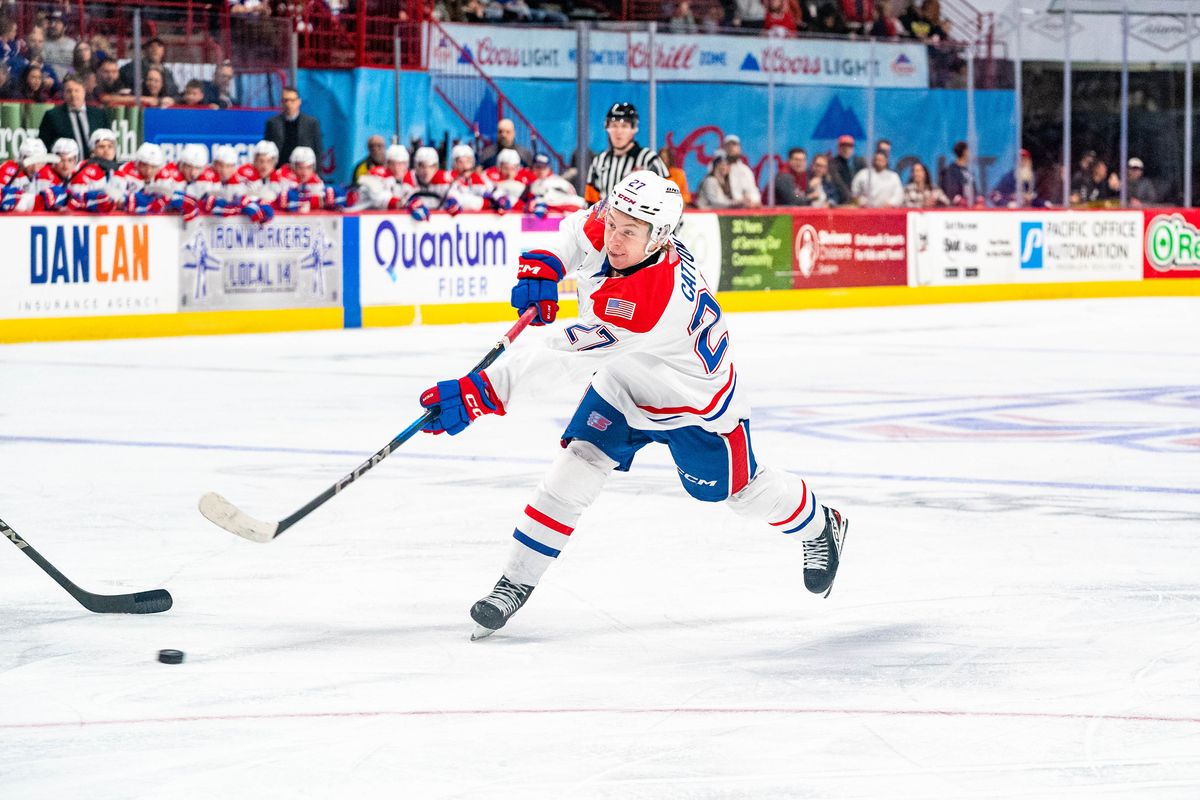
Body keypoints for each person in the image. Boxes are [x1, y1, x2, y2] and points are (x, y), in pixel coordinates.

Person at [412, 170, 850, 639]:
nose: (614, 238)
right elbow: (579, 231)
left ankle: (822, 525)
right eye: (614, 222)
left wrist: (482, 392)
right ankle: (513, 583)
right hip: (623, 382)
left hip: (693, 405)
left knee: (737, 495)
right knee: (576, 464)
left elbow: (562, 358)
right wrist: (547, 265)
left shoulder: (648, 298)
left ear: (659, 237)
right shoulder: (625, 227)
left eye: (628, 232)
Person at [585, 102, 668, 204]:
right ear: (607, 128)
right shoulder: (599, 161)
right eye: (614, 125)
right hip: (607, 219)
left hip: (640, 220)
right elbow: (590, 203)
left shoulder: (649, 159)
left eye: (624, 126)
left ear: (634, 129)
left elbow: (670, 200)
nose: (619, 131)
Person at [38, 73, 108, 156]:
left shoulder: (99, 115)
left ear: (84, 91)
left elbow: (109, 142)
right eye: (69, 91)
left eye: (77, 90)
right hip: (65, 166)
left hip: (95, 166)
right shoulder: (52, 116)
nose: (73, 95)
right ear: (63, 93)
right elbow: (44, 146)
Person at [264, 86, 323, 167]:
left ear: (299, 101)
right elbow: (266, 150)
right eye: (285, 100)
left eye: (292, 100)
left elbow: (318, 150)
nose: (288, 104)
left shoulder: (311, 123)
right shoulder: (272, 123)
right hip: (279, 170)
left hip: (302, 171)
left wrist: (315, 173)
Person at [722, 134, 762, 207]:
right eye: (728, 146)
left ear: (739, 148)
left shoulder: (745, 170)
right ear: (724, 148)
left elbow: (752, 190)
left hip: (743, 209)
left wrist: (754, 201)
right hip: (724, 209)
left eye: (734, 145)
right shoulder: (717, 168)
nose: (731, 148)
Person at [829, 134, 864, 206]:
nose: (846, 149)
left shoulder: (860, 161)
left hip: (860, 200)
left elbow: (865, 180)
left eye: (849, 147)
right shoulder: (833, 163)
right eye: (843, 146)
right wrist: (851, 198)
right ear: (838, 148)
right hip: (842, 201)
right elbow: (838, 182)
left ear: (853, 148)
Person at [939, 141, 978, 206]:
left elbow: (974, 188)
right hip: (957, 209)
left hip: (971, 207)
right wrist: (958, 200)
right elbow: (949, 190)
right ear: (964, 152)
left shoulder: (969, 171)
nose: (971, 154)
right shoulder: (950, 171)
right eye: (969, 151)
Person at [42, 11, 77, 81]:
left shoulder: (72, 45)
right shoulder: (42, 43)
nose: (52, 25)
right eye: (51, 22)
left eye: (57, 22)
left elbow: (74, 67)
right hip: (45, 83)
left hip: (66, 84)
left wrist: (69, 76)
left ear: (65, 27)